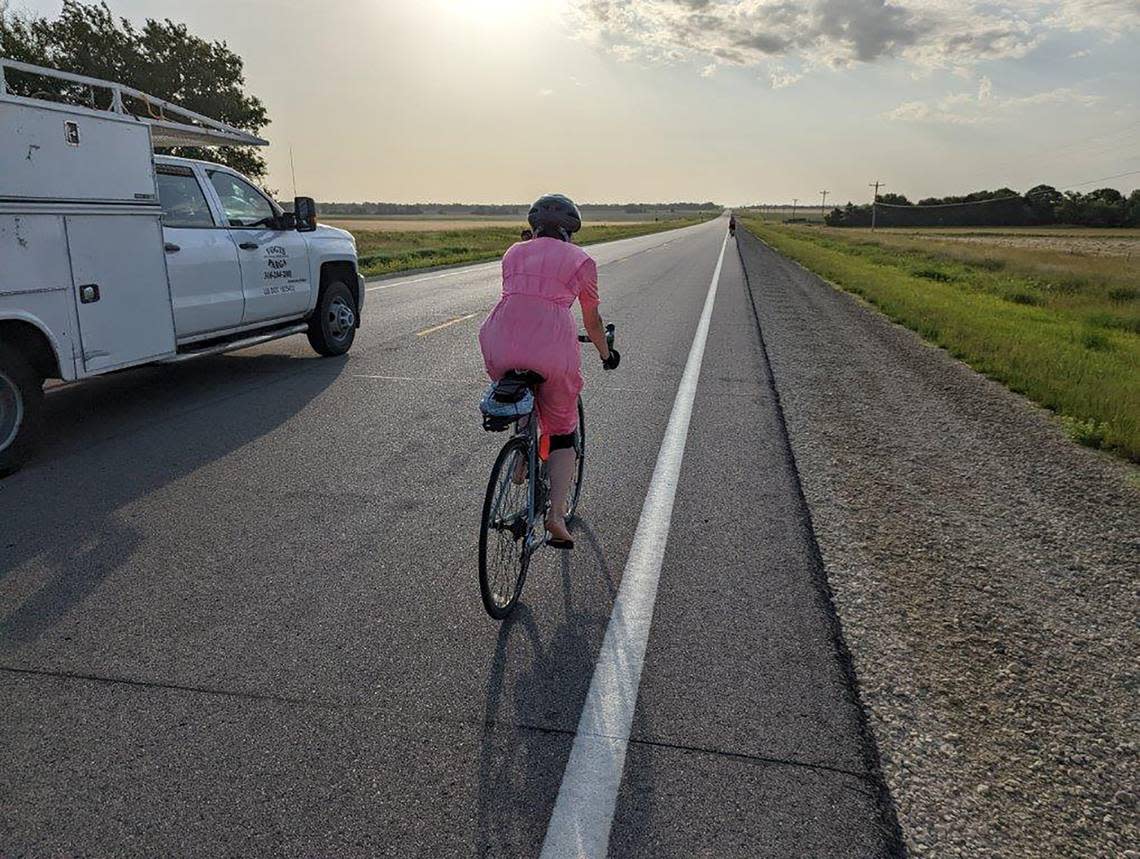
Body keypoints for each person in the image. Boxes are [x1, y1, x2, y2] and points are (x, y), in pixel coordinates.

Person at [478, 194, 619, 549]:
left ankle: (522, 460)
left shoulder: (513, 252)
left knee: (523, 389)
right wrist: (607, 354)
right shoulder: (582, 260)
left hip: (499, 340)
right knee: (562, 430)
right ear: (571, 231)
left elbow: (523, 299)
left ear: (534, 226)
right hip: (552, 347)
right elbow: (592, 320)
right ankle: (556, 515)